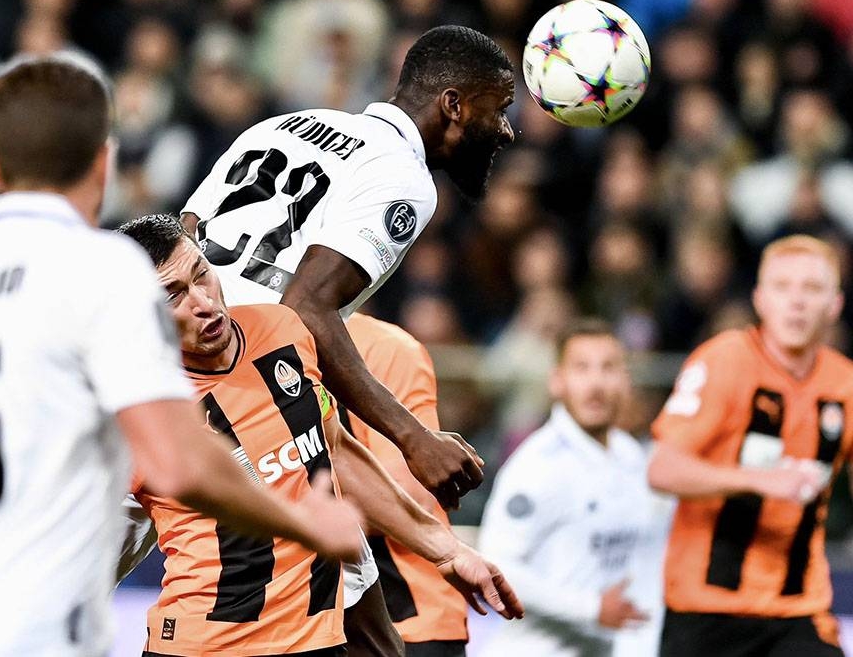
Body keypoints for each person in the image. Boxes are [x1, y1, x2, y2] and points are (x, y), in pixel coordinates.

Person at [0, 55, 362, 657]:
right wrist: (307, 523)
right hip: (51, 632)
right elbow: (178, 464)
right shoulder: (106, 275)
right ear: (104, 161)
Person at [116, 214, 522, 657]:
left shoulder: (282, 330)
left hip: (317, 640)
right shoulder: (138, 407)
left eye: (201, 275)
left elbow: (336, 451)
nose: (202, 302)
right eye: (173, 296)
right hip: (206, 645)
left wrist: (446, 551)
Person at [180, 24, 516, 511]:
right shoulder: (404, 177)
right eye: (500, 108)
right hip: (244, 387)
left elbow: (184, 234)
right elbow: (306, 307)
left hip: (165, 360)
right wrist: (413, 437)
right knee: (331, 573)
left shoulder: (280, 125)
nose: (506, 129)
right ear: (454, 105)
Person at [649, 234, 850, 657]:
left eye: (812, 289)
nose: (797, 301)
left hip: (798, 608)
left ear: (835, 305)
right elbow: (662, 470)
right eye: (782, 287)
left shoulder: (845, 382)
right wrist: (758, 480)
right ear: (759, 299)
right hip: (706, 609)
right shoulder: (725, 359)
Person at [478, 319, 652, 657]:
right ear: (557, 381)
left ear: (626, 381)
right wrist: (591, 609)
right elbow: (498, 565)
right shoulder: (537, 465)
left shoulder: (631, 456)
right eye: (582, 368)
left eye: (608, 368)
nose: (596, 383)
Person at [343, 312, 470, 657]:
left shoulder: (384, 347)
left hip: (408, 619)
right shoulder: (257, 350)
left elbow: (411, 491)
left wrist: (278, 520)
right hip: (322, 624)